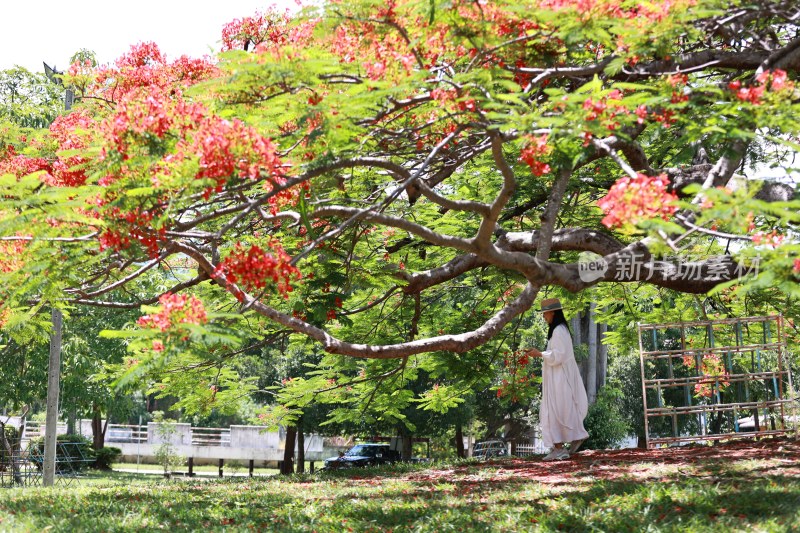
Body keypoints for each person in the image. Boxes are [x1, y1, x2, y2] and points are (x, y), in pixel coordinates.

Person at [525, 298, 589, 461]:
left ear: (553, 312)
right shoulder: (558, 330)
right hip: (556, 376)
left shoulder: (559, 330)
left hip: (560, 377)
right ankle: (565, 442)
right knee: (559, 409)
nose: (544, 317)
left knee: (557, 410)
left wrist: (539, 354)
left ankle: (561, 446)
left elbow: (559, 355)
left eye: (545, 313)